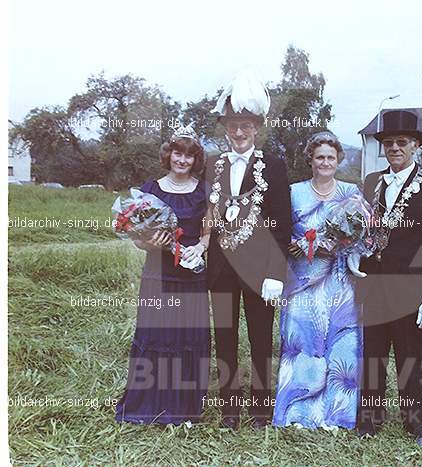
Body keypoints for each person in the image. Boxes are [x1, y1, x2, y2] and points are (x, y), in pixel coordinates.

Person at [349, 110, 422, 447]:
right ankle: (369, 421)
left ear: (415, 146)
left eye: (401, 142)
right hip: (373, 286)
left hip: (411, 291)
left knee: (411, 359)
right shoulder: (372, 182)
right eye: (388, 143)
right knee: (373, 357)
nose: (394, 148)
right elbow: (363, 231)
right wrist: (355, 254)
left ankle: (415, 426)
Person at [205, 71, 292, 429]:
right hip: (222, 269)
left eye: (245, 126)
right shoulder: (214, 164)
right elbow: (206, 214)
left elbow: (283, 224)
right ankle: (229, 409)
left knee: (260, 340)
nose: (238, 133)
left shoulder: (273, 166)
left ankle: (259, 410)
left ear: (256, 127)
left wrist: (276, 273)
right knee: (225, 338)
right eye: (232, 126)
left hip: (260, 271)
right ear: (225, 128)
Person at [115, 123, 211, 425]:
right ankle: (148, 405)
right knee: (157, 333)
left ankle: (183, 407)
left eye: (189, 156)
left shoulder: (203, 190)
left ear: (196, 160)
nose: (182, 160)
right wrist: (149, 242)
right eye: (177, 154)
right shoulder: (149, 190)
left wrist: (201, 247)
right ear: (168, 155)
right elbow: (136, 235)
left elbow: (210, 228)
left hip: (191, 275)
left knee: (187, 335)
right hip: (158, 274)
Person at [272, 131, 364, 430]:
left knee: (339, 345)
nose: (325, 162)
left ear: (339, 161)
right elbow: (280, 233)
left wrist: (337, 244)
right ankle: (298, 413)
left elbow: (362, 237)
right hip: (302, 280)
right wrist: (296, 244)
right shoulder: (293, 192)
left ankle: (337, 414)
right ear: (310, 159)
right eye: (319, 156)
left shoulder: (351, 193)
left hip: (338, 281)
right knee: (303, 344)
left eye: (331, 157)